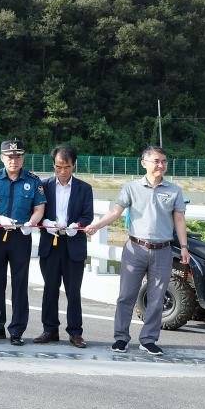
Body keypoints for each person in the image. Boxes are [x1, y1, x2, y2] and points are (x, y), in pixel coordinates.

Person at [86, 145, 188, 356]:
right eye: (156, 161)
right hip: (135, 249)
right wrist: (97, 225)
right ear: (144, 163)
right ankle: (121, 338)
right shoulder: (131, 188)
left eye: (164, 161)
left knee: (157, 298)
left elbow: (179, 219)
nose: (161, 165)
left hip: (163, 250)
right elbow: (116, 211)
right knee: (126, 295)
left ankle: (148, 339)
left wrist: (184, 247)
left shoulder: (174, 190)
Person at [0, 138, 46, 346]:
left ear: (23, 158)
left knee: (20, 282)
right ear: (1, 158)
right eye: (9, 157)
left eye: (17, 157)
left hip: (21, 236)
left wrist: (31, 223)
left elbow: (39, 208)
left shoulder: (33, 181)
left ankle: (17, 330)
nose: (13, 161)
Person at [34, 145, 94, 348]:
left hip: (73, 243)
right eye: (58, 167)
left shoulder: (84, 188)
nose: (62, 171)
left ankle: (75, 332)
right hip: (50, 243)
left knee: (73, 291)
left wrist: (77, 225)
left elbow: (88, 215)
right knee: (50, 288)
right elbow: (37, 211)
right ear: (53, 164)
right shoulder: (43, 186)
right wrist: (46, 223)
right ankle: (49, 330)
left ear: (74, 165)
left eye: (66, 167)